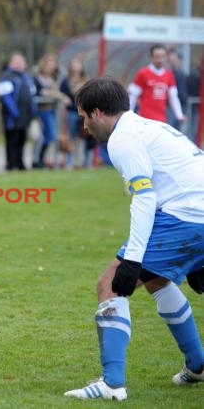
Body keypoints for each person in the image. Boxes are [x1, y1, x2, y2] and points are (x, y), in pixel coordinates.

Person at [65, 76, 204, 401]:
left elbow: (144, 198)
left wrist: (133, 258)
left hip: (187, 217)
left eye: (85, 116)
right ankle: (197, 364)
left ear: (98, 113)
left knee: (109, 285)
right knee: (156, 281)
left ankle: (112, 384)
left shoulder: (122, 139)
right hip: (194, 214)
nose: (84, 126)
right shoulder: (150, 127)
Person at [0, 51, 38, 171]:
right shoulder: (6, 77)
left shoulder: (26, 77)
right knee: (12, 140)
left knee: (22, 140)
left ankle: (20, 162)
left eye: (21, 62)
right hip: (12, 116)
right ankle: (11, 163)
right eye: (16, 62)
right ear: (11, 63)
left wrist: (33, 112)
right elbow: (5, 96)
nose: (19, 65)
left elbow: (31, 96)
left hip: (25, 115)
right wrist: (14, 112)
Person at [128, 44, 185, 125]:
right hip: (144, 120)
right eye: (157, 56)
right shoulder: (142, 73)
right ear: (151, 57)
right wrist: (128, 115)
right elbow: (133, 96)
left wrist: (179, 115)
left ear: (166, 57)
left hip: (161, 120)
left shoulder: (169, 75)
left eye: (162, 56)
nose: (160, 59)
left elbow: (173, 97)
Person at [32, 53, 69, 168]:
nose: (52, 66)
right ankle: (36, 160)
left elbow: (54, 89)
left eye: (53, 64)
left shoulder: (54, 78)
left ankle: (40, 160)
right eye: (49, 64)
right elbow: (42, 92)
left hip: (51, 111)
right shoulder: (37, 78)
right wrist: (60, 96)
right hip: (41, 111)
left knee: (50, 136)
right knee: (42, 137)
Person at [59, 57, 92, 169]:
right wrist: (63, 97)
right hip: (72, 112)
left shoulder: (86, 80)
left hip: (84, 114)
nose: (76, 67)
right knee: (71, 137)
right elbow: (59, 92)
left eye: (78, 64)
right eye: (74, 64)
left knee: (88, 136)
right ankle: (69, 162)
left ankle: (87, 163)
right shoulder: (65, 81)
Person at [166, 48, 188, 131]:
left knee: (177, 129)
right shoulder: (169, 74)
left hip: (181, 105)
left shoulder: (180, 73)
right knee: (170, 129)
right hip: (171, 106)